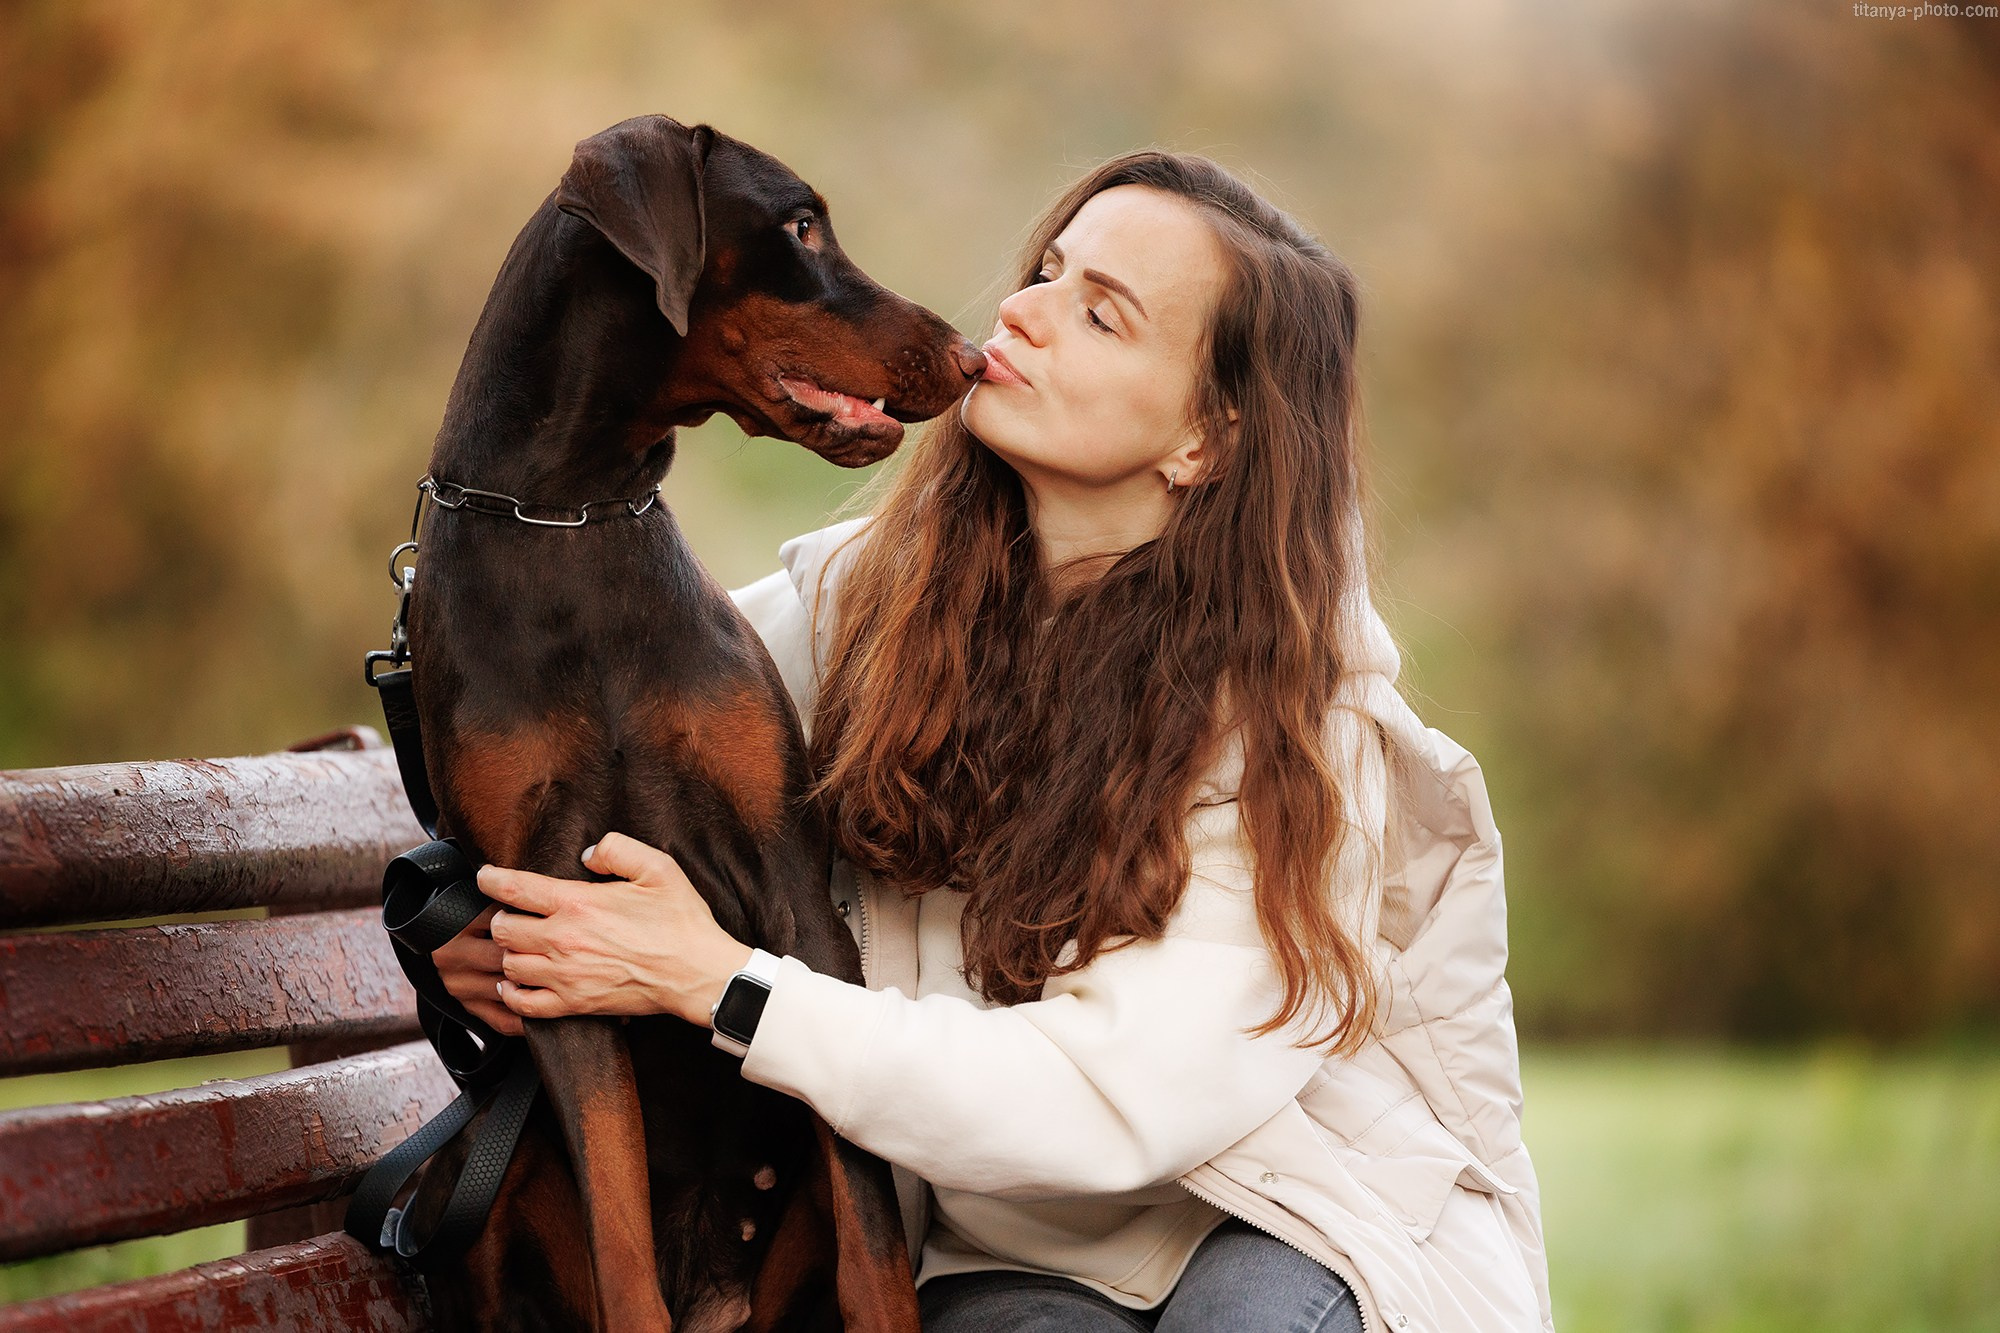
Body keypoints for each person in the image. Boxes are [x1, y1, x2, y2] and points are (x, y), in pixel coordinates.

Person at [433, 150, 1555, 1332]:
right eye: (1044, 270)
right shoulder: (860, 609)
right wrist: (464, 915)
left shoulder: (1300, 722)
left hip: (1287, 1210)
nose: (1018, 312)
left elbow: (1110, 1098)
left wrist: (724, 985)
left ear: (1208, 438)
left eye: (1098, 313)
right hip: (995, 1242)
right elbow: (570, 730)